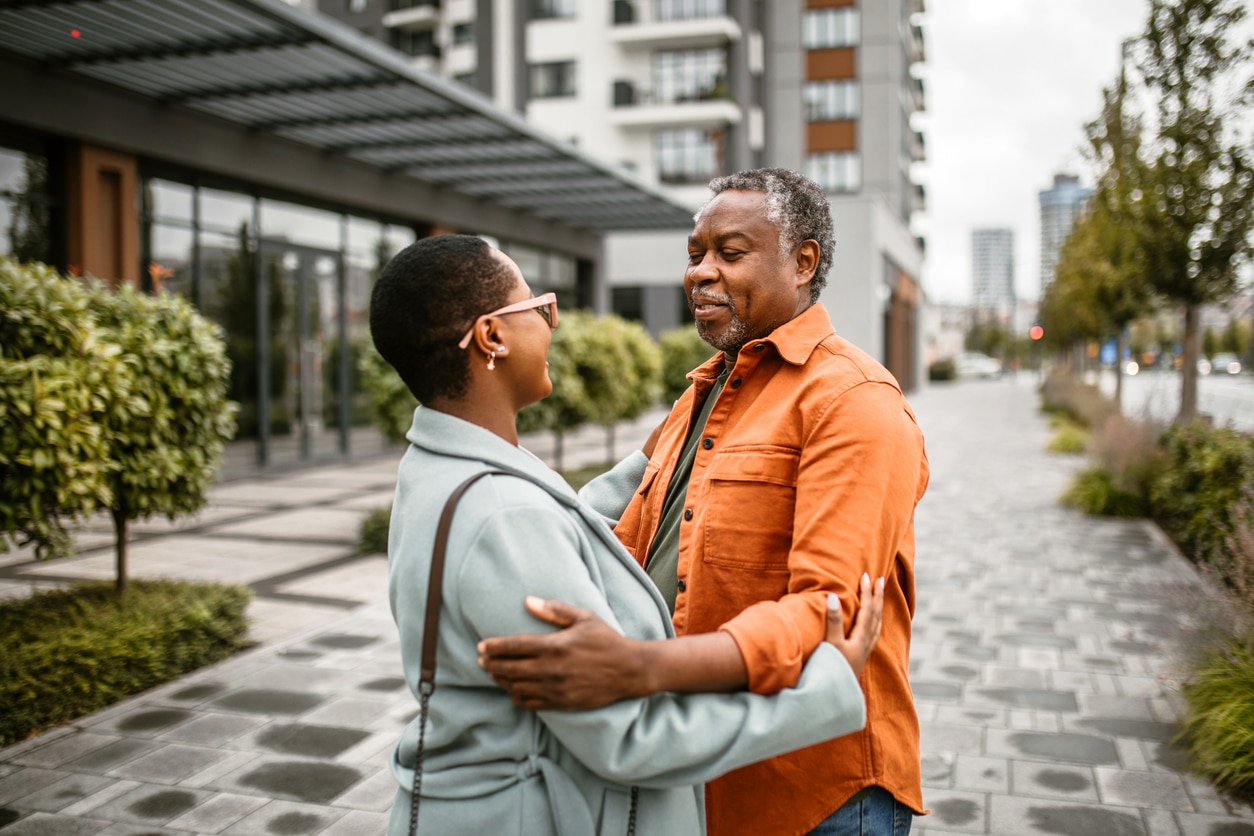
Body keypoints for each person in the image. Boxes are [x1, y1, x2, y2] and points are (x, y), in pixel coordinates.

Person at [369, 232, 888, 836]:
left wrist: (665, 453)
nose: (551, 324)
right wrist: (824, 692)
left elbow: (568, 519)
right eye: (537, 308)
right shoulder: (504, 515)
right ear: (492, 337)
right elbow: (633, 739)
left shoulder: (438, 466)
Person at [479, 169, 930, 835]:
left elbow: (827, 617)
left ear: (803, 262)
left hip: (819, 793)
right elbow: (628, 538)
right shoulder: (704, 392)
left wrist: (636, 669)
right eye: (695, 255)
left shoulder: (854, 402)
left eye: (730, 252)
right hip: (703, 770)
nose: (700, 273)